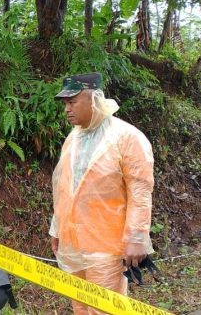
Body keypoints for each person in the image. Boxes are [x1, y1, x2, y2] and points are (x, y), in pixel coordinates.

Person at [49, 72, 155, 315]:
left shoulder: (127, 138)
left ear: (93, 99)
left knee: (104, 309)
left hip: (106, 245)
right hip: (73, 241)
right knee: (80, 305)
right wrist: (57, 228)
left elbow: (140, 192)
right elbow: (65, 188)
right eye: (65, 103)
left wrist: (137, 237)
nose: (67, 109)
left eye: (72, 102)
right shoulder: (73, 139)